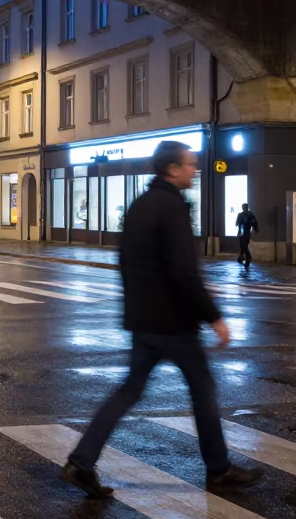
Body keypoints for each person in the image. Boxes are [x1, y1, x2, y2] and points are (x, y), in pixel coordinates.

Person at [62, 141, 263, 498]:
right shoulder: (172, 207)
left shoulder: (140, 205)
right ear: (172, 168)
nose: (194, 170)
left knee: (129, 390)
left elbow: (126, 262)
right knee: (202, 389)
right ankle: (218, 469)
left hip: (144, 321)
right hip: (174, 323)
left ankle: (81, 461)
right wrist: (213, 316)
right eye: (189, 165)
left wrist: (138, 307)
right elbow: (183, 271)